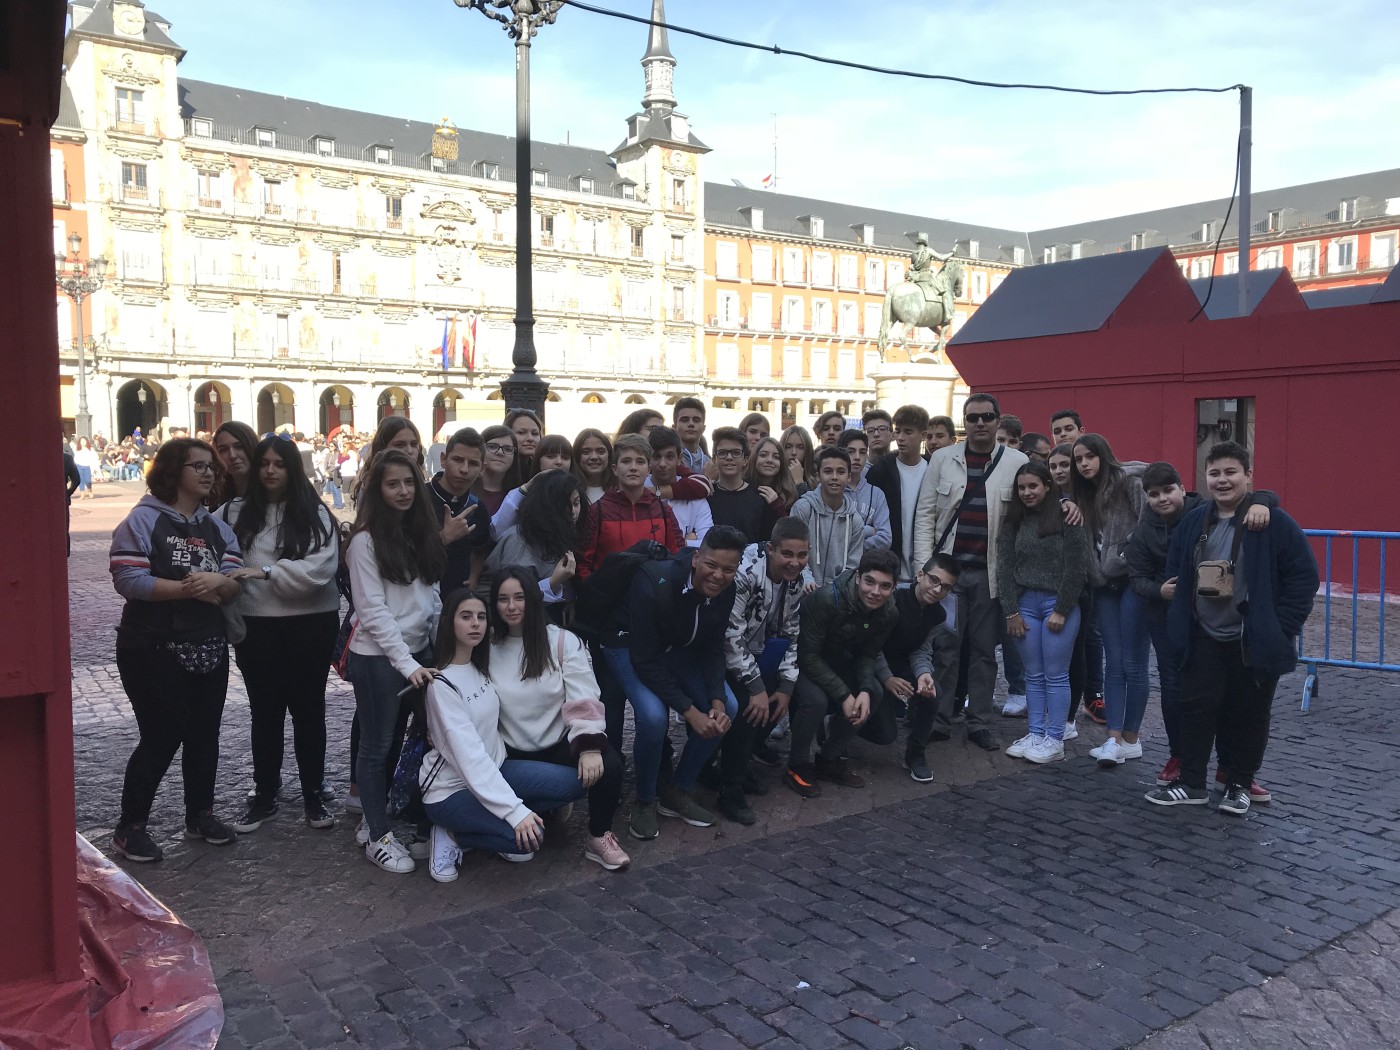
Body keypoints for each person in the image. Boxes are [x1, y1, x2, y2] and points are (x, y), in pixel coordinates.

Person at [1147, 442, 1317, 814]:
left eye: (1230, 472)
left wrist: (1279, 626)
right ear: (1205, 478)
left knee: (1249, 714)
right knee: (1196, 710)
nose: (1222, 480)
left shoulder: (1272, 521)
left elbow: (1304, 578)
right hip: (1202, 635)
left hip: (1250, 639)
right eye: (1214, 473)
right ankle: (1192, 783)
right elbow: (1176, 572)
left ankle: (1239, 784)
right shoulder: (1194, 521)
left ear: (1247, 476)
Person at [109, 438, 243, 862]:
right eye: (197, 466)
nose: (208, 473)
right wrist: (191, 588)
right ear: (172, 472)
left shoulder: (217, 527)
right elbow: (128, 579)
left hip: (208, 643)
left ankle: (199, 813)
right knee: (162, 735)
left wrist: (220, 583)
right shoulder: (141, 521)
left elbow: (234, 578)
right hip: (152, 644)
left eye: (211, 467)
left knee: (205, 734)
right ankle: (130, 827)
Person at [1129, 460, 1275, 799]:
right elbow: (1137, 576)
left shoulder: (1202, 512)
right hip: (1169, 620)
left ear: (1183, 488)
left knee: (1226, 698)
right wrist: (1159, 590)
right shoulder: (1143, 531)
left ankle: (1230, 769)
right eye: (1154, 494)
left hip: (1212, 621)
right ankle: (1182, 758)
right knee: (1176, 692)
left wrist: (1261, 501)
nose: (1162, 499)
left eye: (1168, 491)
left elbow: (1256, 495)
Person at [419, 591, 586, 874]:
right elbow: (470, 759)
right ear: (448, 622)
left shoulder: (480, 666)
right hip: (450, 792)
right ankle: (451, 835)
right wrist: (515, 811)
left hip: (496, 771)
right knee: (527, 841)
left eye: (481, 617)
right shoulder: (441, 684)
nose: (475, 624)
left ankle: (491, 821)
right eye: (466, 617)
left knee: (575, 783)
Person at [223, 436, 341, 832]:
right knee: (265, 714)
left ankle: (313, 793)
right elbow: (223, 567)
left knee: (309, 712)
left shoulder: (314, 513)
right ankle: (265, 794)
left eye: (280, 464)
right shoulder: (232, 513)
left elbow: (321, 570)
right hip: (258, 629)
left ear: (294, 469)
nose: (271, 471)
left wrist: (267, 572)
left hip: (311, 625)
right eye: (264, 463)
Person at [599, 527, 746, 839]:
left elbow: (714, 646)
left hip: (674, 646)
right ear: (696, 559)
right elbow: (645, 660)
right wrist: (690, 711)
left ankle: (678, 790)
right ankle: (644, 799)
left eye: (728, 569)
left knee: (729, 707)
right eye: (711, 565)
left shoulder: (726, 589)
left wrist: (716, 700)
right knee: (653, 717)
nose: (718, 576)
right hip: (626, 645)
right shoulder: (654, 582)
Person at [487, 569, 630, 871]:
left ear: (533, 601)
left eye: (519, 598)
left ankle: (598, 836)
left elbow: (584, 695)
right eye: (502, 599)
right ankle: (545, 803)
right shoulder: (485, 646)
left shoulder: (562, 641)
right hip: (509, 750)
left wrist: (589, 745)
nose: (511, 606)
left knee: (611, 764)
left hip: (556, 744)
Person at [345, 448, 445, 873]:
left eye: (409, 482)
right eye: (392, 484)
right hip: (378, 658)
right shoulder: (365, 542)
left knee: (429, 738)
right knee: (377, 745)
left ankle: (408, 818)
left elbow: (430, 594)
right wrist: (408, 665)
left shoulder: (421, 532)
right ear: (377, 489)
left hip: (419, 653)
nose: (403, 491)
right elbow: (373, 612)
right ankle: (376, 831)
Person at [911, 394, 1030, 751]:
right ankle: (940, 719)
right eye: (973, 418)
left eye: (987, 417)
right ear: (965, 422)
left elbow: (1032, 510)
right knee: (945, 648)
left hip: (990, 573)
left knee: (982, 652)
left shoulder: (1017, 462)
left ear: (998, 421)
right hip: (948, 573)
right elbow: (926, 515)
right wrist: (924, 567)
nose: (980, 423)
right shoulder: (942, 459)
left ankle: (979, 722)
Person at [784, 549, 901, 796]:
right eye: (869, 581)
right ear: (858, 577)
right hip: (801, 663)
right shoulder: (828, 599)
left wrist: (865, 691)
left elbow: (867, 654)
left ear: (894, 587)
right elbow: (807, 655)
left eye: (884, 586)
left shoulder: (889, 611)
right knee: (815, 700)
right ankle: (796, 765)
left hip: (838, 663)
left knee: (875, 691)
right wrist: (844, 695)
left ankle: (829, 759)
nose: (875, 592)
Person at [997, 462, 1091, 765]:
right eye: (1021, 487)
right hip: (1024, 605)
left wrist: (1062, 609)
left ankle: (1055, 738)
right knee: (1033, 676)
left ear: (1047, 486)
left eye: (1033, 486)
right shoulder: (1015, 521)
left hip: (1056, 604)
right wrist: (1011, 611)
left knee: (1056, 674)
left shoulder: (1068, 517)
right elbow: (1004, 567)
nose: (1027, 492)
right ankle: (1036, 734)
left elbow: (1077, 566)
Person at [716, 518, 809, 823]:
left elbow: (792, 630)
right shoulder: (745, 575)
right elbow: (730, 636)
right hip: (721, 656)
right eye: (787, 554)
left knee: (782, 699)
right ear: (771, 549)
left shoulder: (796, 578)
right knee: (747, 707)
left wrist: (786, 686)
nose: (794, 563)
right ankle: (729, 787)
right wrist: (756, 687)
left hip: (762, 653)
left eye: (801, 555)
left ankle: (743, 763)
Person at [1071, 434, 1151, 769]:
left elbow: (1149, 525)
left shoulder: (1130, 483)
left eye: (1090, 456)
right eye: (1079, 459)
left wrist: (1121, 555)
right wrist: (1097, 571)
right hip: (1103, 585)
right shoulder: (1082, 495)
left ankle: (1131, 738)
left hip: (1133, 581)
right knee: (1114, 663)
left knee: (1135, 663)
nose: (1085, 463)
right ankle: (1114, 738)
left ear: (1105, 456)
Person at [882, 554, 960, 782]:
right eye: (934, 580)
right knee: (883, 732)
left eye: (945, 587)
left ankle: (915, 754)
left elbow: (922, 649)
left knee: (933, 694)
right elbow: (870, 646)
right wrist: (886, 677)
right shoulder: (894, 598)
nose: (937, 590)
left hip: (902, 665)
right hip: (871, 662)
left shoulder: (938, 614)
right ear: (920, 575)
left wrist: (924, 673)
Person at [484, 469, 585, 621]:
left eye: (576, 503)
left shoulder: (562, 535)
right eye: (564, 504)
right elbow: (512, 601)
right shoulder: (519, 540)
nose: (573, 511)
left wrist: (570, 599)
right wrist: (553, 583)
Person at [866, 404, 931, 584]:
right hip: (889, 566)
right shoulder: (881, 471)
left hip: (924, 565)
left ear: (923, 435)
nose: (900, 438)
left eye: (908, 432)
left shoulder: (934, 470)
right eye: (898, 431)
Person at [791, 446, 865, 589]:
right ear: (818, 475)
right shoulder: (803, 508)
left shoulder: (855, 520)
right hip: (800, 590)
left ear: (849, 476)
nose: (834, 477)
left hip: (837, 597)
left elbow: (853, 564)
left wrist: (836, 590)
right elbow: (792, 550)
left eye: (841, 472)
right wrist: (805, 577)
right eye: (828, 471)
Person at [428, 427, 489, 599]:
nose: (464, 469)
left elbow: (482, 548)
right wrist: (444, 537)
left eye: (473, 463)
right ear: (443, 459)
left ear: (482, 469)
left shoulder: (478, 508)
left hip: (457, 601)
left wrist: (474, 575)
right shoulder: (419, 500)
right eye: (458, 460)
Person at [491, 433, 573, 538]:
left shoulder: (576, 494)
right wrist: (525, 490)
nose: (559, 462)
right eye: (550, 456)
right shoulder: (521, 493)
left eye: (565, 457)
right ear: (538, 459)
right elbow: (496, 531)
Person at [648, 426, 712, 547]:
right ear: (648, 459)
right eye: (656, 456)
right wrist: (690, 541)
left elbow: (708, 543)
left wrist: (682, 542)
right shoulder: (638, 488)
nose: (662, 463)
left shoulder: (694, 492)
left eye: (669, 456)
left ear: (679, 459)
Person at [708, 426, 768, 543]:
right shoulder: (707, 496)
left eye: (736, 453)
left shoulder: (760, 497)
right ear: (715, 459)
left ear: (745, 459)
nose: (729, 457)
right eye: (722, 453)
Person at [837, 429, 891, 552]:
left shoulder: (877, 494)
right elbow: (832, 535)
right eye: (851, 452)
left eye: (862, 452)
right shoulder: (832, 489)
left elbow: (885, 539)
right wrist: (868, 530)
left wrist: (853, 547)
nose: (857, 457)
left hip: (867, 565)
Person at [746, 435, 797, 532]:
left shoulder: (789, 493)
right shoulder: (743, 488)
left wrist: (777, 506)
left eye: (776, 457)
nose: (769, 460)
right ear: (754, 458)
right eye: (763, 455)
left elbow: (789, 533)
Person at [472, 424, 519, 518]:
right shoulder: (463, 490)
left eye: (508, 449)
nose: (500, 452)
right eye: (492, 447)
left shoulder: (518, 496)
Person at [211, 421, 259, 507]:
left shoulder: (273, 495)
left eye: (239, 447)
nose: (232, 455)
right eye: (223, 450)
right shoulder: (214, 498)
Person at [572, 428, 614, 504]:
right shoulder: (570, 491)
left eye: (600, 451)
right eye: (586, 452)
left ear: (609, 455)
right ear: (577, 456)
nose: (594, 457)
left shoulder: (620, 490)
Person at [671, 397, 710, 473]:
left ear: (704, 428)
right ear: (675, 427)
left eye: (696, 420)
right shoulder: (668, 459)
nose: (691, 424)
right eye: (685, 420)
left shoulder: (710, 464)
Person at [505, 408, 543, 483]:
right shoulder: (499, 471)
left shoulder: (542, 470)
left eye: (535, 433)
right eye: (521, 432)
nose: (530, 438)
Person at [781, 425, 817, 493]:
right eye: (788, 447)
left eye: (800, 447)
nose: (794, 452)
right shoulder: (774, 478)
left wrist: (799, 482)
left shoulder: (815, 482)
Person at [64, 442, 81, 556]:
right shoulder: (67, 458)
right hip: (62, 497)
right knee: (63, 529)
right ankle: (65, 553)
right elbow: (76, 480)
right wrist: (68, 493)